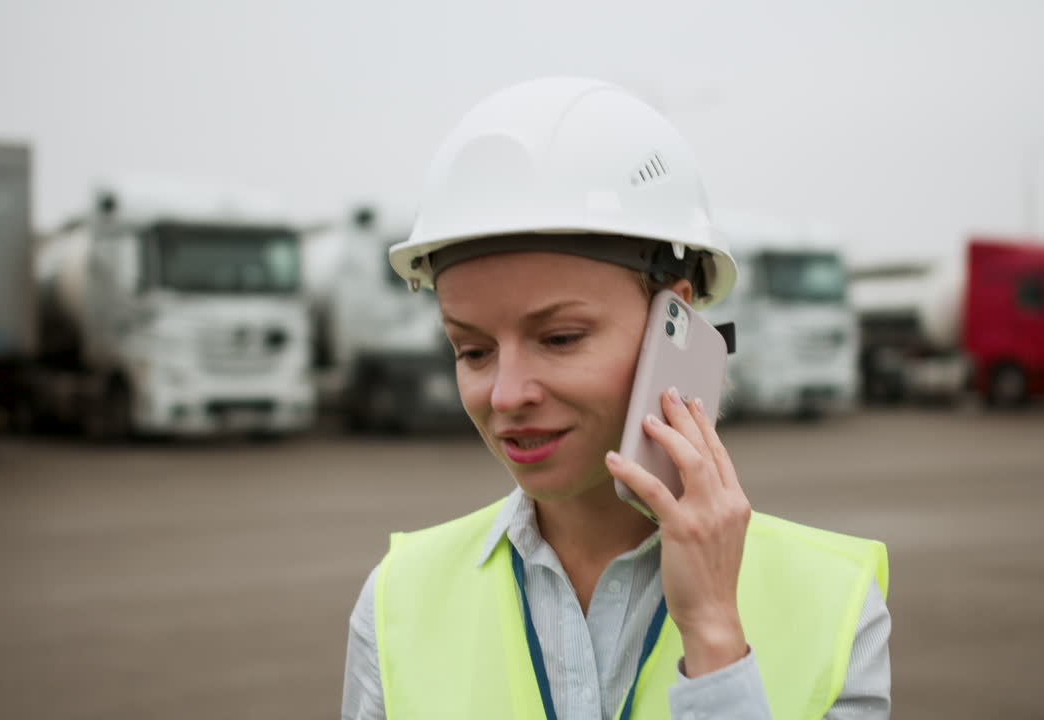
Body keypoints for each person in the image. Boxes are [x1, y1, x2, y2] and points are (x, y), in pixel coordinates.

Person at [342, 77, 890, 720]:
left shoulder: (836, 607)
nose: (507, 395)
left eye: (560, 338)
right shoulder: (396, 603)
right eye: (473, 351)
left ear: (674, 321)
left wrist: (715, 636)